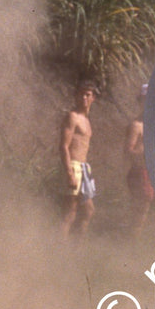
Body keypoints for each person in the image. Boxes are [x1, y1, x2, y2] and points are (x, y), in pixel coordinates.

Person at [60, 80, 98, 237]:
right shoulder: (72, 117)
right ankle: (59, 247)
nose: (84, 98)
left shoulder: (87, 120)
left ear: (93, 98)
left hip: (84, 168)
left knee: (88, 210)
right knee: (70, 211)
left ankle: (77, 247)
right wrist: (69, 173)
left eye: (87, 95)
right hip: (73, 166)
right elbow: (64, 146)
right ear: (76, 96)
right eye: (81, 94)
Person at [124, 83, 155, 233]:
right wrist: (146, 152)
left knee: (154, 210)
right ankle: (132, 241)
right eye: (146, 100)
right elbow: (128, 151)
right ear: (141, 101)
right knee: (140, 212)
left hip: (153, 172)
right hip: (140, 172)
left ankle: (145, 240)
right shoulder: (136, 125)